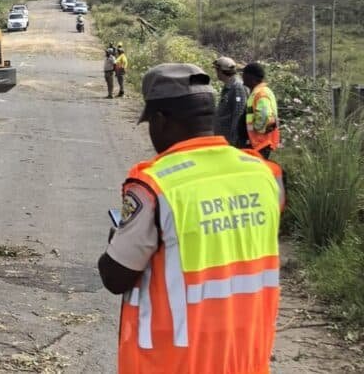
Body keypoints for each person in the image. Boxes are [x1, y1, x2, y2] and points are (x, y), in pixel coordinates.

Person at [98, 63, 284, 374]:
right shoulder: (264, 175)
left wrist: (116, 239)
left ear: (160, 120)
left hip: (173, 361)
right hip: (245, 359)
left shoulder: (154, 187)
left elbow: (115, 276)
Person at [242, 62, 280, 159]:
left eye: (244, 74)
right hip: (258, 143)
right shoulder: (258, 91)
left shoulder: (261, 93)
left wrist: (257, 129)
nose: (242, 77)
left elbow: (265, 115)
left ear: (251, 77)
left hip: (261, 143)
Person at [211, 56, 249, 147]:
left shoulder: (237, 87)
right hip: (223, 138)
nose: (216, 73)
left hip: (230, 140)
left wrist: (234, 140)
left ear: (221, 71)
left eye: (217, 70)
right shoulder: (229, 86)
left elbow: (238, 114)